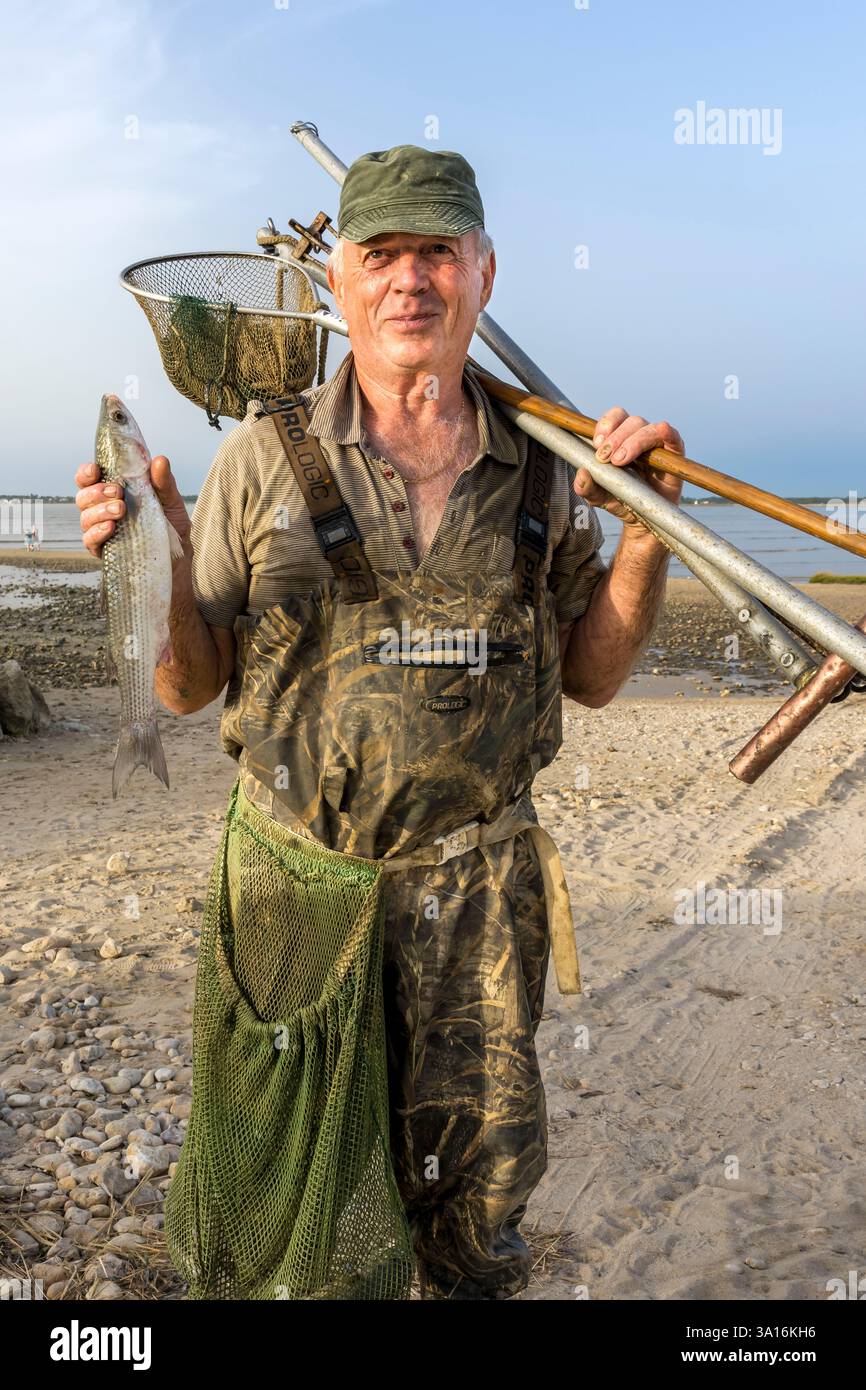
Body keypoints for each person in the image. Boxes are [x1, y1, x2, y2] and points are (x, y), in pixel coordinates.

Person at [75, 145, 684, 1299]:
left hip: (480, 908)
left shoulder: (546, 472)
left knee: (471, 1205)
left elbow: (594, 676)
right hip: (294, 897)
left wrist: (647, 531)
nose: (410, 281)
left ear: (482, 275)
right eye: (381, 255)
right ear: (338, 284)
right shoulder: (261, 456)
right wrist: (145, 560)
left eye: (436, 253)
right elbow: (185, 685)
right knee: (278, 1197)